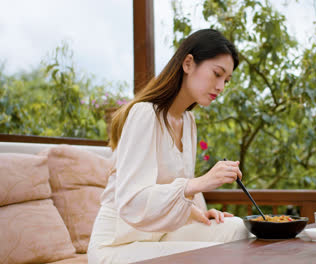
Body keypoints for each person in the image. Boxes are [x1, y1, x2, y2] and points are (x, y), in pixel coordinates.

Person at [88, 29, 250, 264]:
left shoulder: (188, 121)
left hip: (159, 235)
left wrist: (199, 214)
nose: (221, 86)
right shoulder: (144, 114)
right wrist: (199, 183)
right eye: (217, 74)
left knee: (236, 229)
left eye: (226, 80)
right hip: (117, 245)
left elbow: (172, 188)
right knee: (206, 256)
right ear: (188, 63)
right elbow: (132, 203)